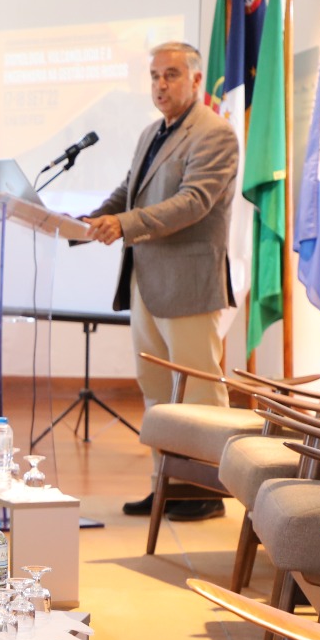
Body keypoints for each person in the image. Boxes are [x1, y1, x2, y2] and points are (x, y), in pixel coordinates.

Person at [80, 41, 238, 523]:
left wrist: (124, 224)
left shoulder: (214, 133)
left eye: (170, 74)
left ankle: (206, 490)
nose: (160, 85)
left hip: (189, 283)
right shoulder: (152, 131)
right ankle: (166, 486)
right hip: (147, 280)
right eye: (154, 76)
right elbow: (130, 189)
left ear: (196, 79)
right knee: (155, 388)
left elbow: (193, 202)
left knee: (198, 391)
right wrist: (94, 218)